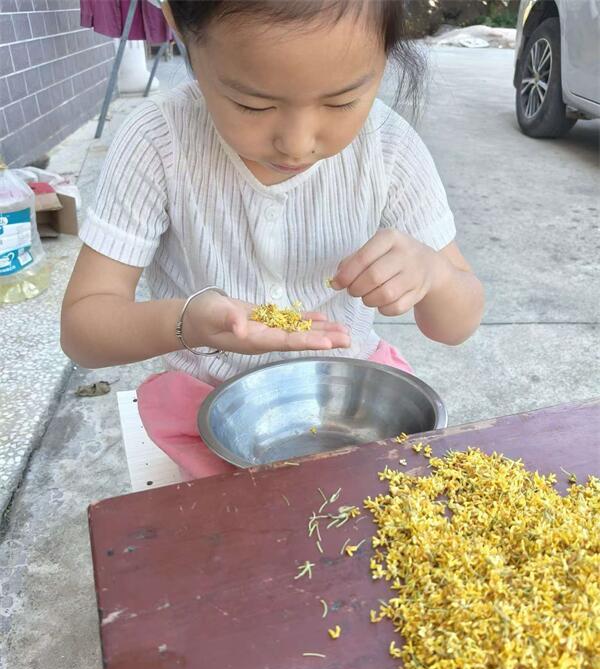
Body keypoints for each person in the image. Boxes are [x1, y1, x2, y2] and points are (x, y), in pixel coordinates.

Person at [61, 0, 484, 479]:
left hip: (354, 405)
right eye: (253, 104)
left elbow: (457, 323)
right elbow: (83, 330)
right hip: (202, 413)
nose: (297, 143)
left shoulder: (389, 149)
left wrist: (434, 274)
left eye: (342, 101)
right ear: (180, 28)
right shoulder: (158, 143)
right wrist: (187, 323)